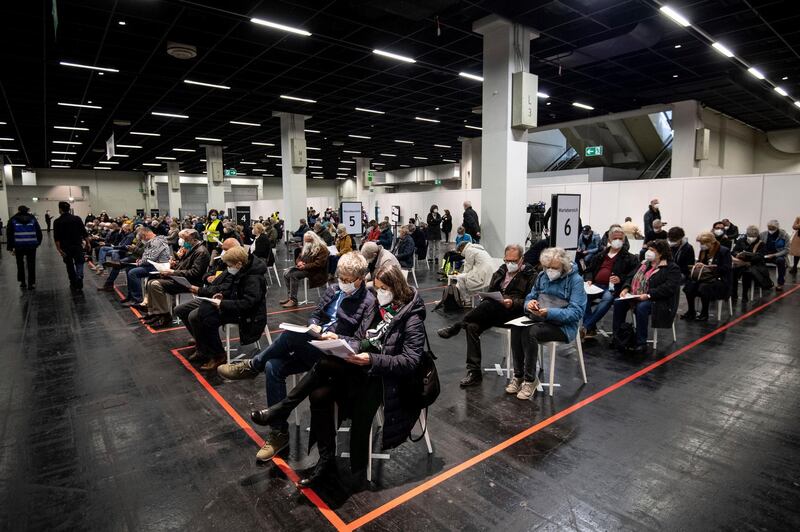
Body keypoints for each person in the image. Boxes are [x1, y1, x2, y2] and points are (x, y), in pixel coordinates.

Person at [277, 265, 424, 489]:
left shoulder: (411, 318)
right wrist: (343, 340)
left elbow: (410, 361)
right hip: (361, 368)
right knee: (318, 395)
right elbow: (362, 338)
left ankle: (283, 408)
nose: (379, 292)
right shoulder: (379, 306)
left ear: (396, 288)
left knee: (325, 368)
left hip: (384, 379)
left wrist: (372, 360)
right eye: (377, 287)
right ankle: (326, 462)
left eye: (384, 288)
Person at [219, 253, 376, 463]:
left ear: (360, 279)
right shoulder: (333, 290)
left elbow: (361, 340)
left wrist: (336, 336)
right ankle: (279, 433)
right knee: (274, 366)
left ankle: (252, 365)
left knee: (290, 336)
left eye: (347, 280)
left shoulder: (369, 302)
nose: (342, 283)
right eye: (340, 277)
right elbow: (316, 314)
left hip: (334, 357)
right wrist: (314, 325)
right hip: (314, 346)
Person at [438, 244, 535, 388]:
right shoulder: (501, 271)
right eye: (507, 260)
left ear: (522, 259)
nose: (510, 264)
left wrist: (512, 302)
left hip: (515, 314)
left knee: (490, 305)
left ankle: (457, 326)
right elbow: (491, 292)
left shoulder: (530, 275)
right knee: (472, 326)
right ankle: (474, 372)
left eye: (514, 261)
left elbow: (530, 300)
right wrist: (494, 298)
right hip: (495, 311)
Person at [512, 247, 586, 394]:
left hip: (563, 327)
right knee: (516, 327)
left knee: (530, 332)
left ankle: (530, 380)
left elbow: (576, 312)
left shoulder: (576, 281)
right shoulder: (542, 276)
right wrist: (529, 304)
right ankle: (518, 376)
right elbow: (530, 296)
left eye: (554, 268)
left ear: (564, 267)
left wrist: (549, 313)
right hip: (541, 319)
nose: (550, 271)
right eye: (547, 267)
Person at [611, 240, 682, 354]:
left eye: (652, 250)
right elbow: (630, 276)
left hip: (659, 300)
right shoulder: (644, 264)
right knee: (618, 302)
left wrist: (649, 294)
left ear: (661, 253)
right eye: (648, 249)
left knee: (642, 307)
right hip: (638, 295)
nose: (648, 252)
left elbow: (669, 288)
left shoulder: (671, 268)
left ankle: (641, 342)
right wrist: (626, 288)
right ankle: (617, 337)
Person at [140, 229, 210, 328]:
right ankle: (154, 313)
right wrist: (175, 264)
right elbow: (185, 266)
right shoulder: (191, 249)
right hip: (180, 278)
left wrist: (173, 272)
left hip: (189, 282)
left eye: (185, 239)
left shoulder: (201, 252)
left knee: (155, 284)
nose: (183, 242)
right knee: (151, 282)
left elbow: (194, 272)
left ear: (193, 239)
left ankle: (164, 315)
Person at [581, 227, 639, 338]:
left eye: (620, 238)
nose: (618, 240)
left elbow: (632, 275)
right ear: (609, 240)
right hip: (595, 285)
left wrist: (620, 279)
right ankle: (590, 328)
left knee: (607, 298)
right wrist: (588, 279)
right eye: (615, 238)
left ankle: (586, 327)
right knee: (584, 297)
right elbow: (589, 270)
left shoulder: (629, 258)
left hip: (613, 288)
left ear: (624, 240)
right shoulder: (600, 255)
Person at [682, 231, 732, 321]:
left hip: (720, 279)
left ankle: (704, 313)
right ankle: (691, 311)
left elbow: (727, 268)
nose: (701, 245)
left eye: (703, 243)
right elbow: (702, 264)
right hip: (705, 277)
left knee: (704, 287)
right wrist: (699, 265)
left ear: (711, 242)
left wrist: (710, 267)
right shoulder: (703, 251)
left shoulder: (724, 251)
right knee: (689, 286)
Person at [121, 226, 171, 306]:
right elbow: (147, 256)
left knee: (132, 273)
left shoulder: (156, 242)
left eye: (141, 239)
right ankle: (131, 296)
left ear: (145, 236)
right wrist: (141, 259)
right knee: (128, 269)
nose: (141, 241)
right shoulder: (153, 241)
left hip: (159, 266)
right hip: (152, 264)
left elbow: (151, 258)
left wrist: (141, 262)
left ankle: (138, 299)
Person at [282, 231, 329, 308]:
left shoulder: (322, 248)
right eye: (305, 241)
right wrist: (299, 262)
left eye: (308, 241)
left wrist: (305, 266)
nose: (306, 243)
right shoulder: (307, 246)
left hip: (316, 271)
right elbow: (299, 257)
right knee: (286, 273)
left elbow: (319, 264)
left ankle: (293, 300)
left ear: (313, 239)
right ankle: (290, 297)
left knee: (293, 275)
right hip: (306, 268)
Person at [53, 201, 90, 292]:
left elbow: (56, 237)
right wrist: (88, 243)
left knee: (69, 265)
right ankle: (79, 277)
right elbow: (83, 232)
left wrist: (59, 249)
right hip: (77, 245)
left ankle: (73, 283)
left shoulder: (57, 221)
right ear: (69, 209)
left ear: (60, 209)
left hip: (65, 247)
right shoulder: (77, 219)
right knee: (79, 263)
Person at [730, 226, 773, 302]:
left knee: (747, 273)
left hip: (755, 264)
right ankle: (734, 294)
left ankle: (744, 295)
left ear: (757, 236)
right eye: (749, 236)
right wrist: (738, 254)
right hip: (741, 262)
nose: (751, 238)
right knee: (733, 272)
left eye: (753, 236)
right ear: (747, 235)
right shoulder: (741, 241)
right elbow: (733, 251)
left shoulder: (761, 243)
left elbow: (761, 256)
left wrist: (749, 260)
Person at [6, 205, 43, 289]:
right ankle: (31, 283)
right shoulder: (33, 219)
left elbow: (9, 234)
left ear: (18, 210)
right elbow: (39, 232)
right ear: (27, 210)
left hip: (18, 245)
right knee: (31, 264)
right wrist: (37, 243)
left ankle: (22, 282)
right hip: (31, 245)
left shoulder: (13, 219)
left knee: (20, 264)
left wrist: (11, 247)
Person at [760, 220, 790, 291]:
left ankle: (780, 283)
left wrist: (774, 255)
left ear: (777, 227)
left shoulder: (784, 235)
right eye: (769, 228)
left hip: (777, 256)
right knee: (756, 260)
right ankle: (759, 281)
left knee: (781, 261)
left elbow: (786, 250)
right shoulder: (762, 234)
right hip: (765, 255)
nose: (770, 230)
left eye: (772, 228)